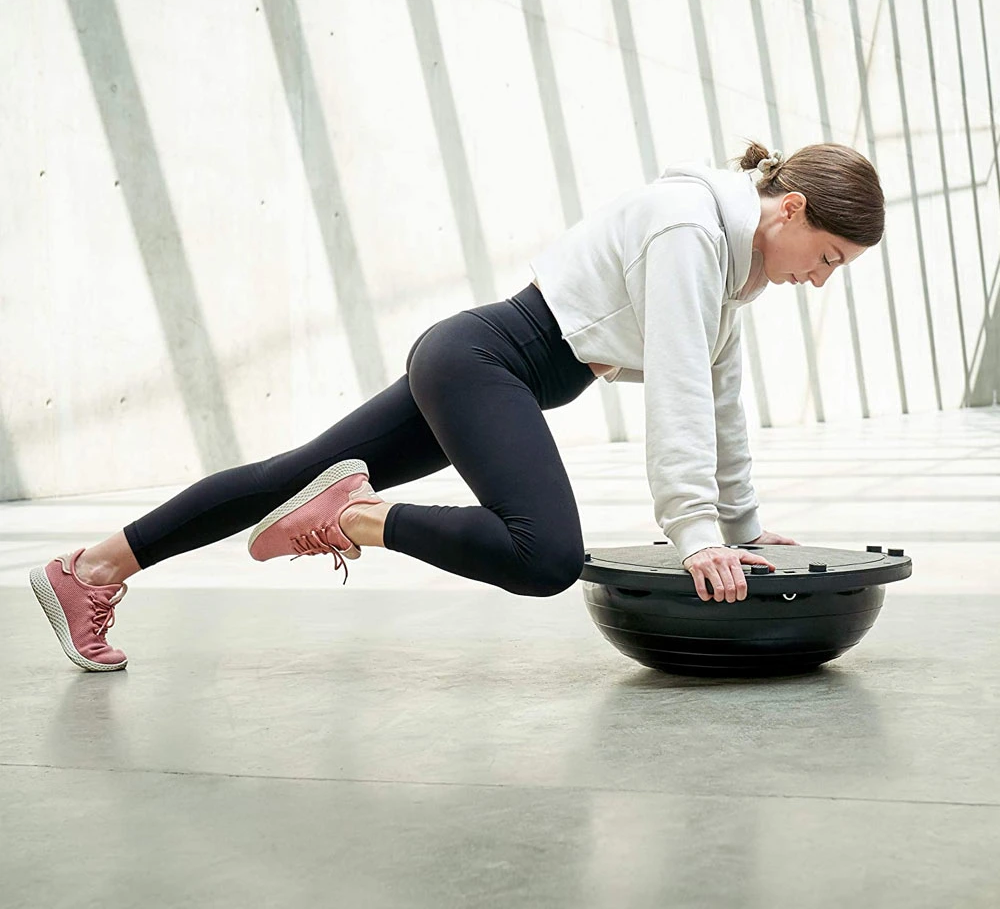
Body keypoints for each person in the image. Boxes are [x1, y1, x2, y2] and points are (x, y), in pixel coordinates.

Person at [30, 139, 885, 672]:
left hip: (477, 363)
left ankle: (89, 570)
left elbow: (720, 396)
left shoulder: (734, 270)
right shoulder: (692, 229)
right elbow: (681, 395)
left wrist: (738, 526)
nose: (820, 279)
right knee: (546, 556)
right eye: (829, 257)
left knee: (282, 478)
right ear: (793, 208)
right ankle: (359, 519)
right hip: (487, 362)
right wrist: (696, 533)